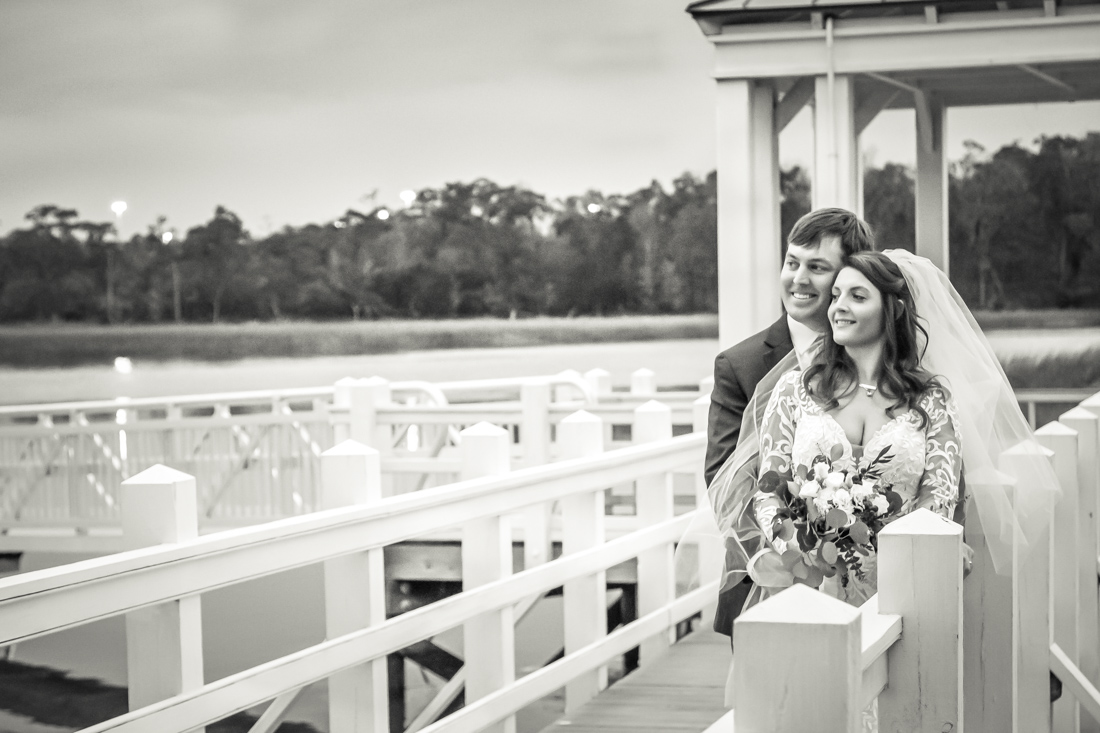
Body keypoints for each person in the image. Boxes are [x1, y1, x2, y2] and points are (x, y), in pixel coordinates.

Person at [705, 207, 874, 636]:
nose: (798, 279)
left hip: (873, 583)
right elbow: (723, 479)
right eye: (792, 262)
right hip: (765, 579)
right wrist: (791, 556)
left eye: (817, 267)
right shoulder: (740, 365)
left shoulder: (887, 365)